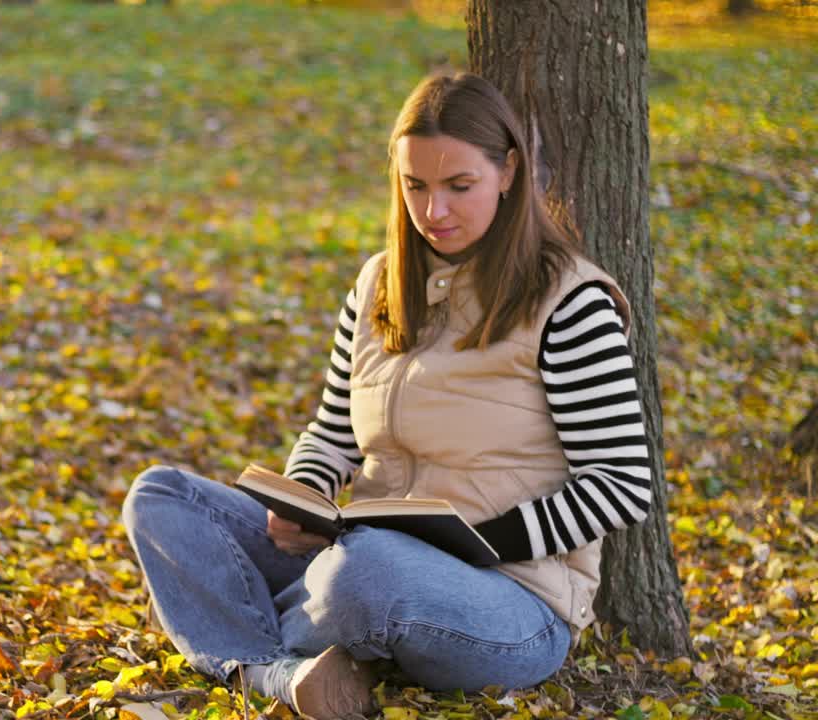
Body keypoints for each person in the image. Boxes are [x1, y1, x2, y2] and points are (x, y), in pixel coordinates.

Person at [121, 72, 654, 720]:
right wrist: (306, 496)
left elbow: (622, 482)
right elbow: (334, 432)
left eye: (460, 187)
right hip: (360, 559)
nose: (435, 212)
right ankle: (286, 673)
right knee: (161, 498)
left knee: (365, 570)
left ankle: (237, 630)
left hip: (511, 603)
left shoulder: (567, 303)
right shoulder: (379, 283)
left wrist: (484, 543)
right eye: (416, 186)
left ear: (509, 171)